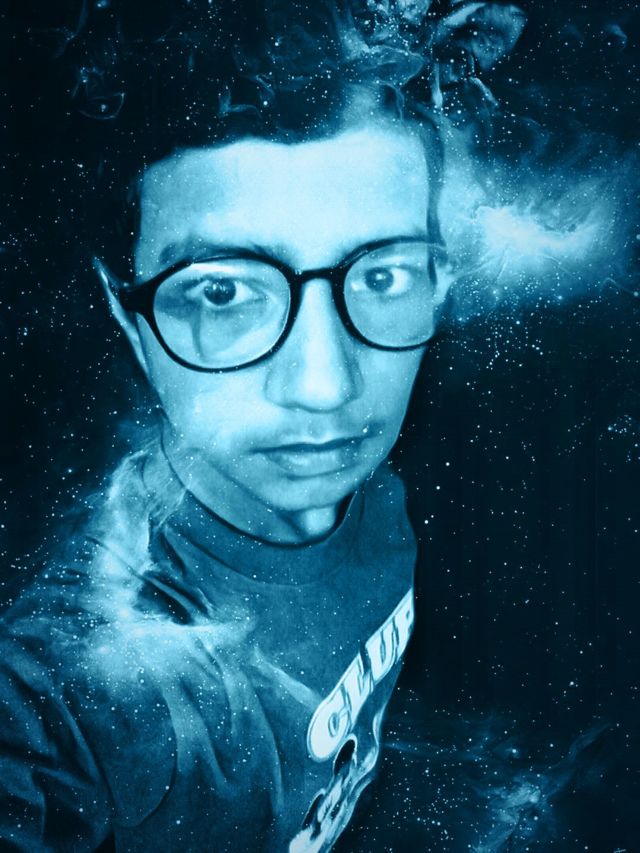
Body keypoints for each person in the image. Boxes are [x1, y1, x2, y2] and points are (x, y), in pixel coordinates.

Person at [0, 1, 525, 849]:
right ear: (126, 312)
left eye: (383, 275)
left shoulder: (380, 490)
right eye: (223, 291)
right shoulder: (66, 687)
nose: (325, 387)